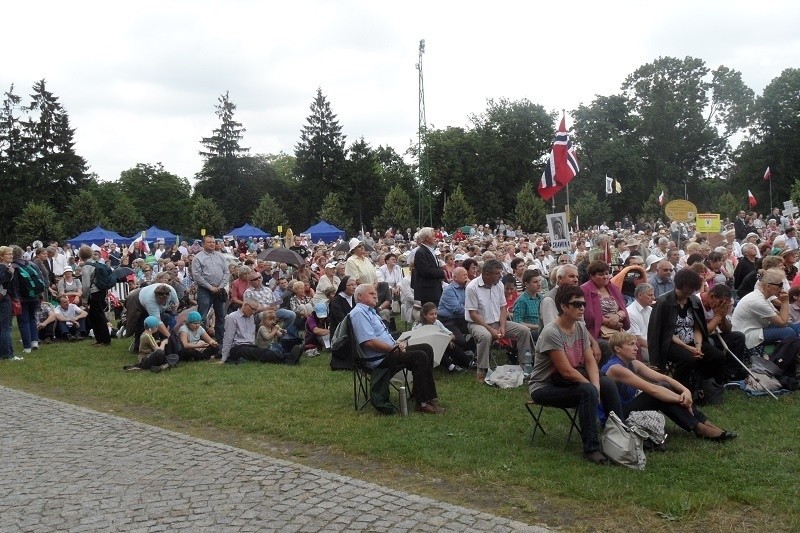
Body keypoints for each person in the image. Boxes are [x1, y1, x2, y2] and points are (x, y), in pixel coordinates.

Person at [529, 286, 622, 465]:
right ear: (563, 307)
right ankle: (592, 449)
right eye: (577, 304)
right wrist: (593, 389)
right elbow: (566, 371)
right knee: (587, 391)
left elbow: (589, 361)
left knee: (607, 383)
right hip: (544, 386)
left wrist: (597, 385)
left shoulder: (579, 326)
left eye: (583, 304)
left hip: (567, 381)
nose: (582, 308)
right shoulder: (551, 332)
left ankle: (620, 435)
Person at [602, 332, 737, 441]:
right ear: (617, 349)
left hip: (625, 407)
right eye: (631, 344)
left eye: (635, 344)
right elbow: (651, 389)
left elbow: (664, 378)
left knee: (665, 385)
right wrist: (681, 399)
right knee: (656, 395)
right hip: (614, 416)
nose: (636, 348)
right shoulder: (615, 368)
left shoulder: (633, 363)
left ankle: (703, 423)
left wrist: (685, 391)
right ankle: (699, 427)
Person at [349, 284, 444, 414]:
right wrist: (392, 349)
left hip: (388, 351)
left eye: (375, 292)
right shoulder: (359, 313)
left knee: (426, 348)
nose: (375, 295)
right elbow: (368, 342)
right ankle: (422, 404)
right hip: (378, 358)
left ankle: (423, 395)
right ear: (360, 296)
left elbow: (380, 336)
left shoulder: (370, 311)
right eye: (371, 293)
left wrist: (397, 343)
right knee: (420, 356)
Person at [647, 269, 726, 391]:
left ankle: (706, 385)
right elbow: (664, 331)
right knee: (688, 359)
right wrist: (687, 347)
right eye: (685, 293)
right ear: (678, 287)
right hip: (670, 343)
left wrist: (698, 346)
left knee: (717, 356)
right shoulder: (664, 302)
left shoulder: (694, 300)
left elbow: (697, 326)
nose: (687, 296)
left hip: (692, 340)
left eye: (690, 293)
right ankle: (680, 389)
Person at [464, 259, 533, 383]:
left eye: (500, 273)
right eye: (497, 273)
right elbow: (473, 314)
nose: (500, 276)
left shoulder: (499, 285)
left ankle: (524, 366)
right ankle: (482, 370)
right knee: (485, 336)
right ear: (486, 274)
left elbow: (503, 307)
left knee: (524, 331)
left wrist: (502, 326)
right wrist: (491, 329)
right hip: (477, 323)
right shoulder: (472, 287)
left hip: (497, 322)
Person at [220, 298, 302, 365]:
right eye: (253, 309)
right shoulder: (232, 317)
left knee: (263, 352)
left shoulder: (251, 317)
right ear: (245, 305)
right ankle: (287, 359)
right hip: (237, 348)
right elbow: (228, 338)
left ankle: (289, 356)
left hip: (249, 345)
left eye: (255, 310)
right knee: (259, 353)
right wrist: (224, 359)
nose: (253, 312)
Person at [731, 268, 797, 350]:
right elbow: (783, 322)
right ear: (768, 286)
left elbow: (780, 316)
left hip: (756, 328)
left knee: (792, 326)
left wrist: (784, 303)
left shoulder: (764, 297)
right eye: (780, 285)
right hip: (747, 335)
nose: (782, 288)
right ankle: (783, 358)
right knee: (788, 332)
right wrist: (785, 301)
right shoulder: (758, 301)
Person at [192, 235, 229, 343]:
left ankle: (220, 341)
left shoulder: (221, 256)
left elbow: (226, 272)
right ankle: (201, 340)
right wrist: (210, 287)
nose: (212, 244)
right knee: (202, 317)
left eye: (213, 242)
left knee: (220, 316)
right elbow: (197, 276)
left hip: (219, 289)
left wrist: (221, 286)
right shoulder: (198, 258)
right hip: (205, 290)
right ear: (203, 244)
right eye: (209, 242)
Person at [581, 260, 629, 343]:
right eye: (601, 274)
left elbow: (623, 309)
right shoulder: (585, 290)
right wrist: (609, 322)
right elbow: (589, 315)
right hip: (597, 332)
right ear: (591, 276)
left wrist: (617, 316)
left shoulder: (613, 288)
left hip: (617, 328)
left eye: (607, 273)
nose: (605, 277)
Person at [415, 302, 469, 372]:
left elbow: (451, 335)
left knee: (451, 345)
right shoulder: (419, 327)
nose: (434, 316)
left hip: (440, 345)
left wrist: (448, 339)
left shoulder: (437, 323)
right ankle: (451, 367)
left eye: (435, 314)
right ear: (424, 315)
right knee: (434, 349)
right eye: (431, 314)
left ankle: (468, 362)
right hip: (427, 350)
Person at [77, 244, 112, 347]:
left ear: (81, 255)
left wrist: (84, 298)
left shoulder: (86, 267)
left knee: (97, 316)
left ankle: (104, 339)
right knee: (96, 315)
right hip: (101, 291)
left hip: (94, 293)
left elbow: (86, 285)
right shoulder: (96, 263)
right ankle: (100, 338)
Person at [411, 227, 446, 306]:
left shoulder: (430, 250)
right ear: (427, 238)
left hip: (434, 289)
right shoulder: (421, 252)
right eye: (433, 236)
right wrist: (442, 272)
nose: (435, 238)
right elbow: (426, 271)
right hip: (428, 292)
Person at [329, 276, 358, 370]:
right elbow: (341, 320)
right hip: (341, 333)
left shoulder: (355, 299)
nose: (354, 287)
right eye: (351, 285)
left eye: (355, 285)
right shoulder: (336, 301)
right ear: (344, 286)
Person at [626, 283, 654, 362]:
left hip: (650, 344)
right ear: (640, 295)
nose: (653, 298)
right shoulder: (630, 312)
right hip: (639, 347)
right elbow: (639, 340)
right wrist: (657, 348)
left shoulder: (650, 309)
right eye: (650, 295)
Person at [513, 269, 543, 341]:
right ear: (526, 284)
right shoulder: (522, 300)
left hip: (542, 329)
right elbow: (517, 322)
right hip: (530, 332)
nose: (539, 284)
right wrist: (537, 326)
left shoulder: (541, 297)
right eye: (535, 282)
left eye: (539, 281)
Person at [0, 246, 19, 360]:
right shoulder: (4, 268)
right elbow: (3, 282)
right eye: (8, 254)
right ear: (2, 256)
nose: (11, 256)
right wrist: (10, 273)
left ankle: (4, 353)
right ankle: (8, 354)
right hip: (4, 299)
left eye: (11, 254)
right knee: (6, 327)